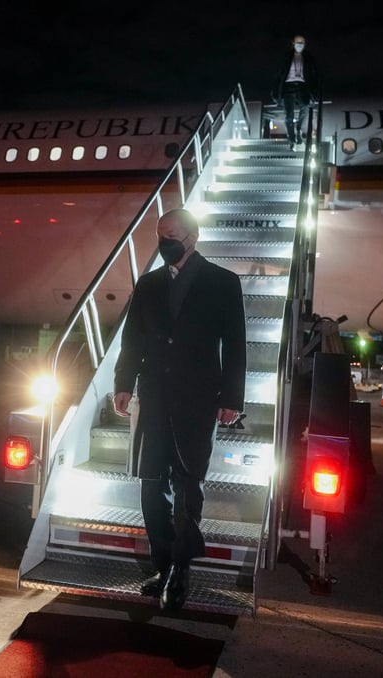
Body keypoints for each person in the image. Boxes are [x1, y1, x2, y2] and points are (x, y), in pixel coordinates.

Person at [112, 207, 246, 612]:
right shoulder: (149, 283)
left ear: (192, 237)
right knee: (151, 484)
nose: (164, 242)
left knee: (188, 484)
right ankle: (163, 564)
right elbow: (132, 339)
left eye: (171, 235)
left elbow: (235, 345)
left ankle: (181, 569)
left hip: (198, 398)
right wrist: (123, 384)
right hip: (153, 395)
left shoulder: (223, 282)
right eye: (160, 236)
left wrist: (231, 399)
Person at [274, 34, 318, 151]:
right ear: (293, 43)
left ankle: (298, 129)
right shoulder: (286, 56)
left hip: (303, 85)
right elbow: (279, 73)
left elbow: (313, 74)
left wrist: (314, 91)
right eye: (298, 42)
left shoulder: (308, 57)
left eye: (302, 42)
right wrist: (276, 91)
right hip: (288, 85)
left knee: (305, 107)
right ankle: (291, 138)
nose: (300, 44)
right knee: (289, 114)